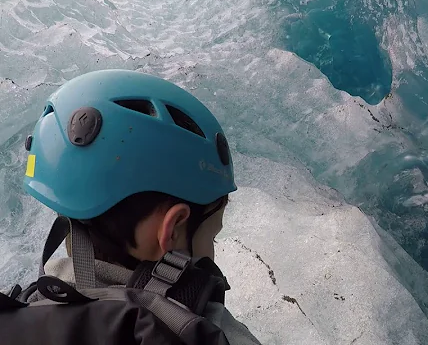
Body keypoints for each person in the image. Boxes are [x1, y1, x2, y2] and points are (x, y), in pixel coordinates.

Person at [2, 69, 262, 345]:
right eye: (212, 236)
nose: (212, 246)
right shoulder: (216, 334)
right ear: (172, 229)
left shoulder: (18, 309)